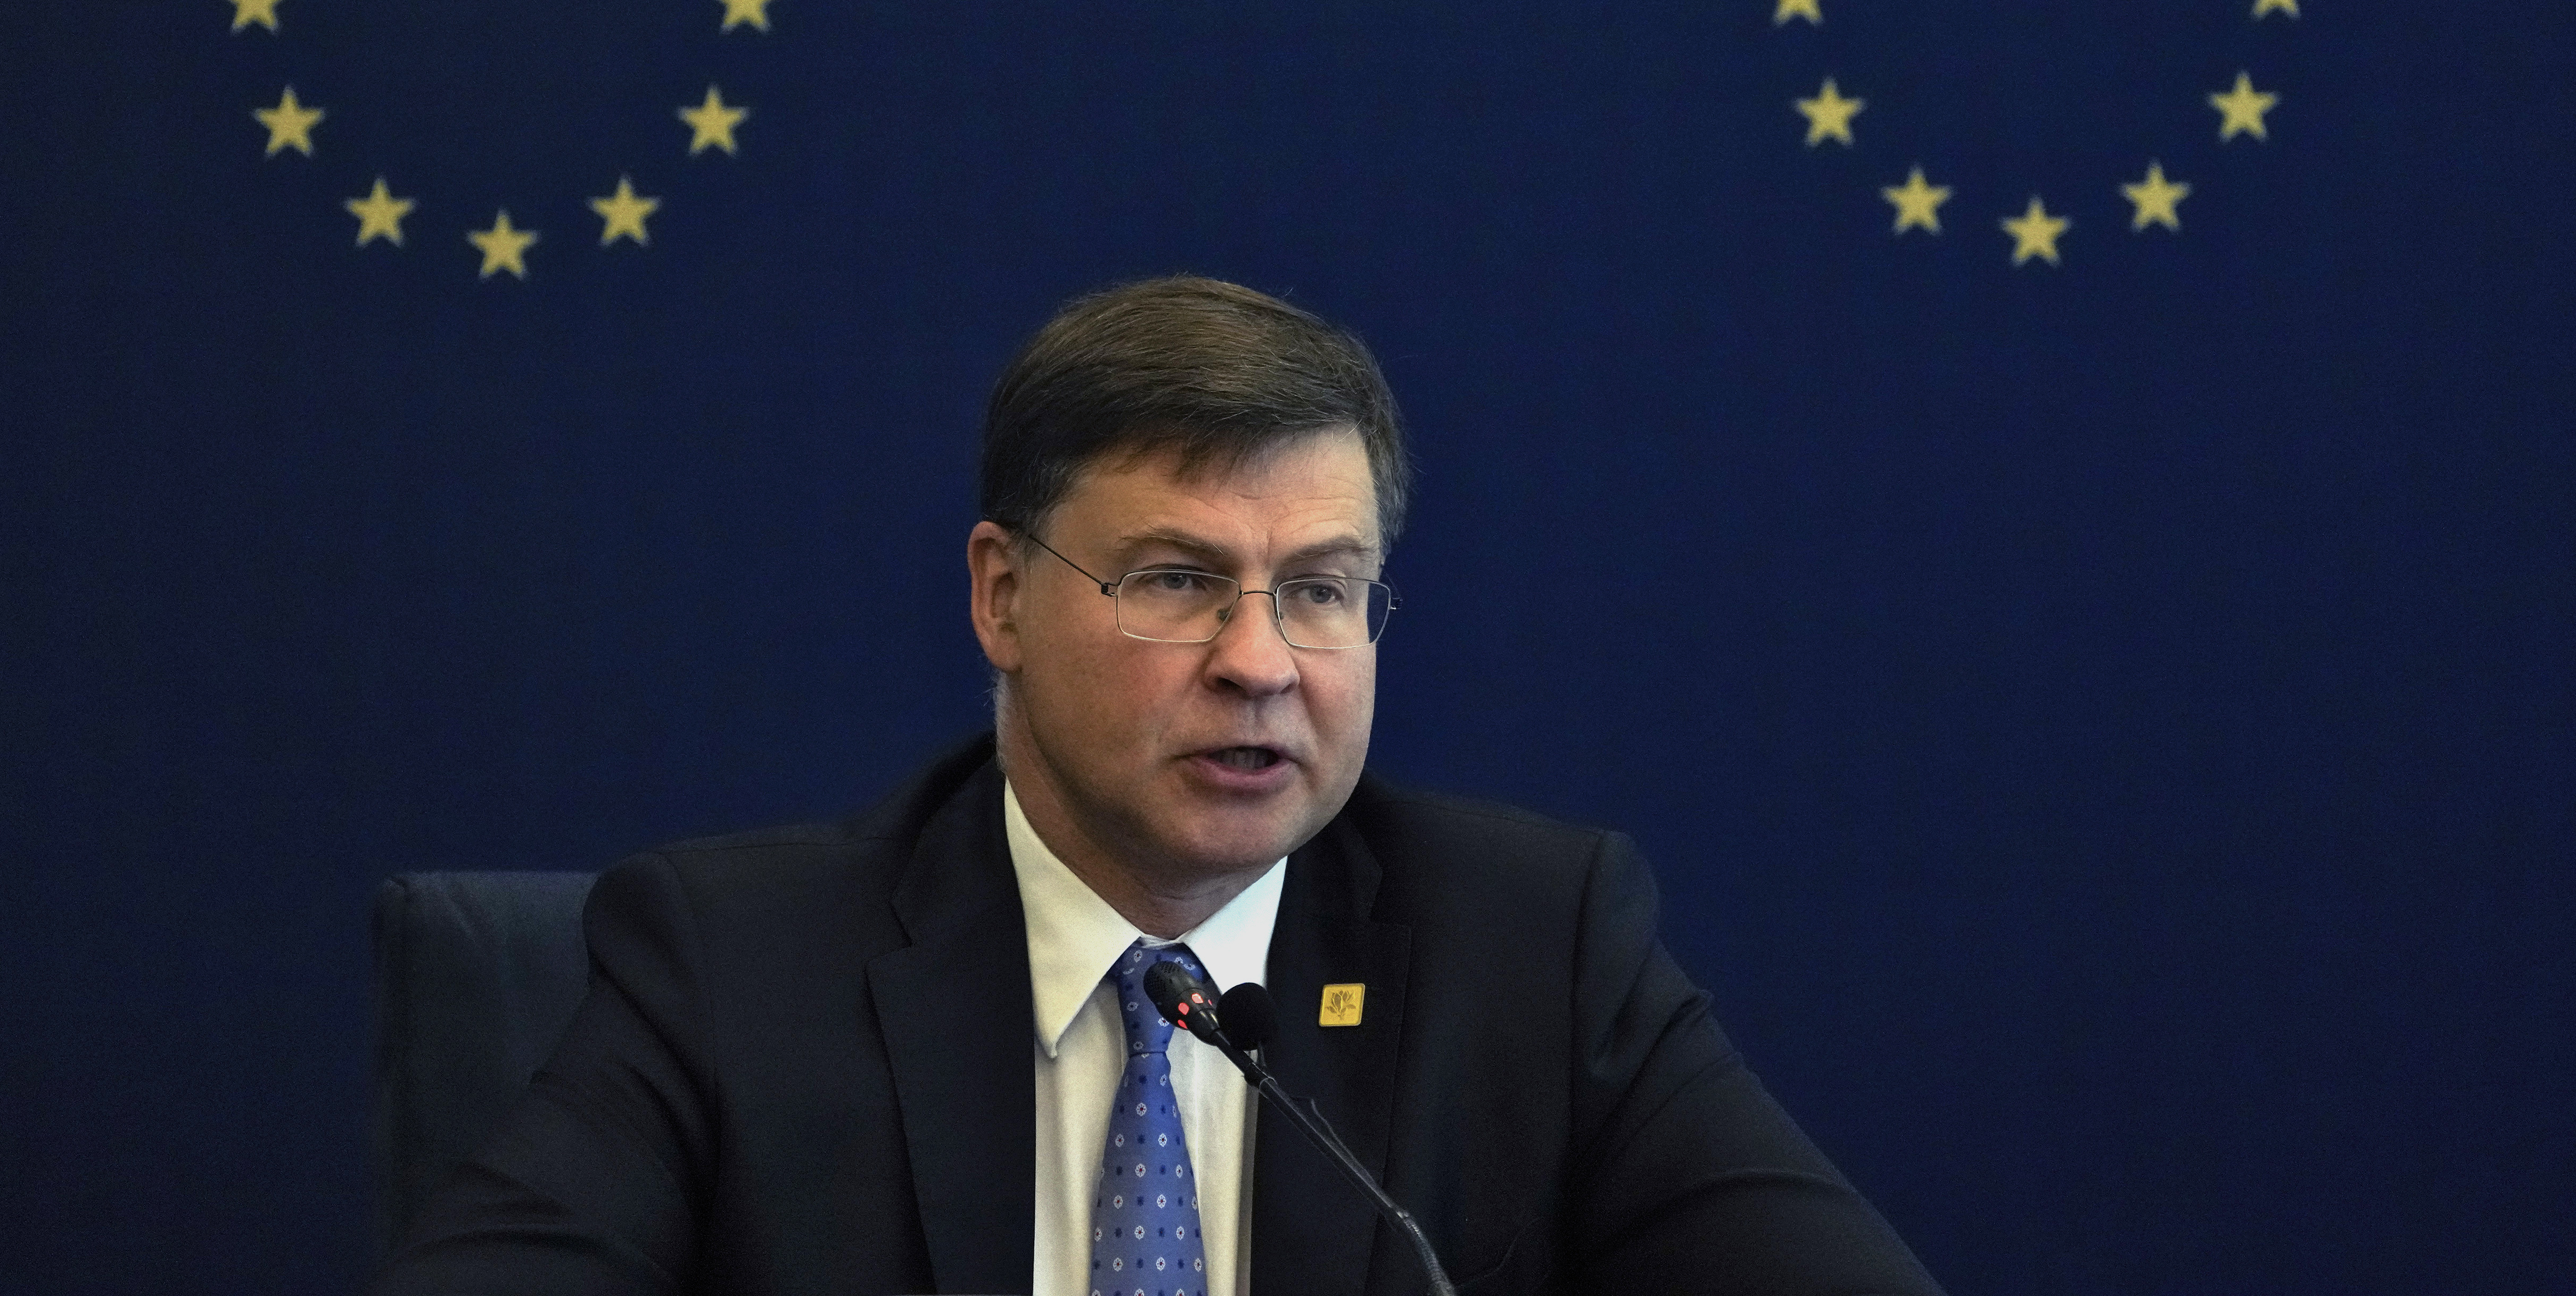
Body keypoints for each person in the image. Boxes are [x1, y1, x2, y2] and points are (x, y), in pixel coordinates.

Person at [372, 276, 1943, 1296]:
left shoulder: (1536, 946)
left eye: (1322, 590)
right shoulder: (733, 965)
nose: (1262, 661)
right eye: (1180, 581)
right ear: (1002, 597)